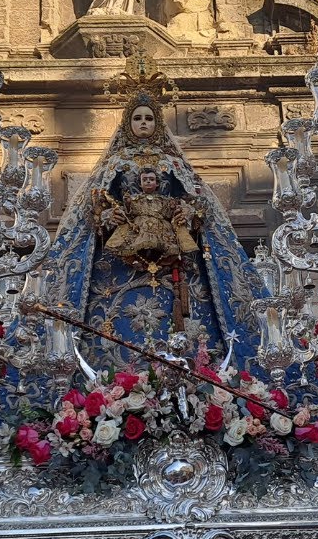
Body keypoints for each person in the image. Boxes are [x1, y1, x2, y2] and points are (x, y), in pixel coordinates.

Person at [42, 88, 268, 373]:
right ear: (128, 124)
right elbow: (94, 205)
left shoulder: (173, 163)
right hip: (124, 252)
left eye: (149, 118)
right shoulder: (116, 163)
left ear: (157, 123)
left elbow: (197, 199)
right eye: (137, 118)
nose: (144, 123)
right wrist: (108, 215)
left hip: (173, 254)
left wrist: (189, 212)